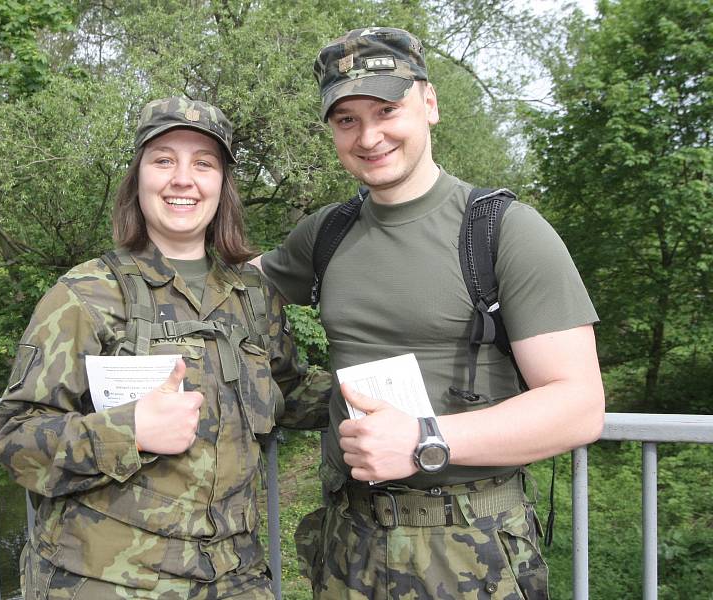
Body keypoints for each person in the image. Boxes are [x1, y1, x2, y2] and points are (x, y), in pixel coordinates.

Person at [255, 27, 605, 599]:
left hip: (472, 546)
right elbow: (237, 284)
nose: (369, 136)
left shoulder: (503, 231)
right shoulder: (326, 233)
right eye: (347, 119)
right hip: (350, 538)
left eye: (387, 109)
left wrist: (425, 439)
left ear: (430, 104)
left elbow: (580, 406)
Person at [0, 97, 329, 599]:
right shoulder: (86, 294)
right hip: (108, 577)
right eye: (164, 159)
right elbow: (16, 439)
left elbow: (289, 391)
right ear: (139, 178)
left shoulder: (254, 297)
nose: (182, 178)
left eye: (204, 163)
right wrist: (129, 431)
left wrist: (374, 389)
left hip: (235, 575)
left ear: (222, 186)